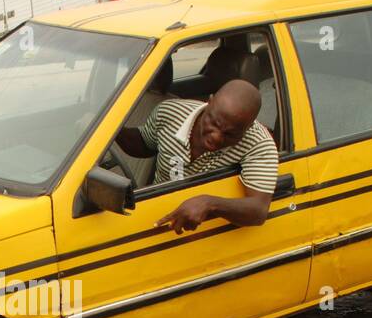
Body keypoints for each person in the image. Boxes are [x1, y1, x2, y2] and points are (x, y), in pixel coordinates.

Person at [114, 78, 278, 233]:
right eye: (214, 123)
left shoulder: (259, 144)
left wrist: (209, 203)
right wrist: (112, 130)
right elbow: (144, 144)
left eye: (230, 134)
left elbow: (258, 211)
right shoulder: (169, 113)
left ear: (248, 128)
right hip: (151, 220)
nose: (216, 137)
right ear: (210, 101)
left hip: (207, 239)